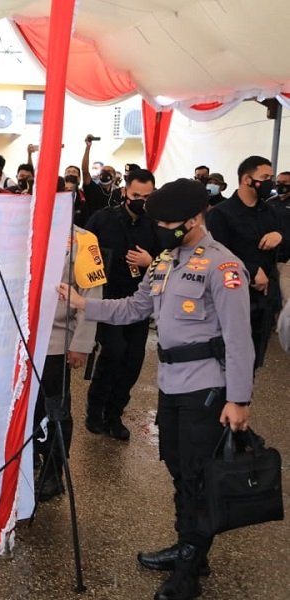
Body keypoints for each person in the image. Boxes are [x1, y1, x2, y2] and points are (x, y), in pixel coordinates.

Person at [60, 178, 253, 600]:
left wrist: (239, 399)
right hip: (171, 382)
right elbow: (135, 307)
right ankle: (190, 548)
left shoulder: (223, 267)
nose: (162, 230)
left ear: (195, 219)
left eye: (169, 224)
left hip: (206, 386)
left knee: (198, 475)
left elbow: (240, 338)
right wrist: (83, 303)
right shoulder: (166, 261)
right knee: (180, 469)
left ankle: (189, 571)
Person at [83, 168, 158, 440]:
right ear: (125, 192)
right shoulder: (103, 219)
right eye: (136, 196)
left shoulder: (156, 225)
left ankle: (114, 414)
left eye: (147, 197)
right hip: (108, 299)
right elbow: (83, 251)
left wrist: (151, 262)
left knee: (133, 360)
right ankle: (95, 409)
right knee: (114, 352)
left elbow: (170, 260)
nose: (141, 202)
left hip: (140, 302)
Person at [34, 231, 100, 501]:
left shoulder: (82, 240)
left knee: (55, 410)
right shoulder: (21, 226)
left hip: (55, 340)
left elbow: (91, 293)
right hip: (18, 340)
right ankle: (28, 461)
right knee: (25, 410)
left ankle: (52, 473)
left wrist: (81, 343)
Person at [207, 155, 283, 369]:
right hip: (233, 295)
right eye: (265, 177)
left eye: (271, 178)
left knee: (253, 360)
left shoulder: (269, 211)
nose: (270, 183)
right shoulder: (221, 213)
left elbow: (282, 244)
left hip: (264, 298)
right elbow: (215, 254)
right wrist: (250, 269)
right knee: (229, 358)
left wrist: (279, 235)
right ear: (247, 179)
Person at [81, 135, 121, 222]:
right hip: (94, 225)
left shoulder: (117, 193)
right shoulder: (93, 188)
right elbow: (85, 171)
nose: (105, 172)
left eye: (108, 171)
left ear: (114, 177)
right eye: (103, 171)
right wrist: (88, 147)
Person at [267, 170, 290, 305]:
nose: (281, 185)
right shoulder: (270, 202)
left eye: (285, 183)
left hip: (287, 257)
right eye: (278, 182)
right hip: (271, 255)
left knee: (285, 294)